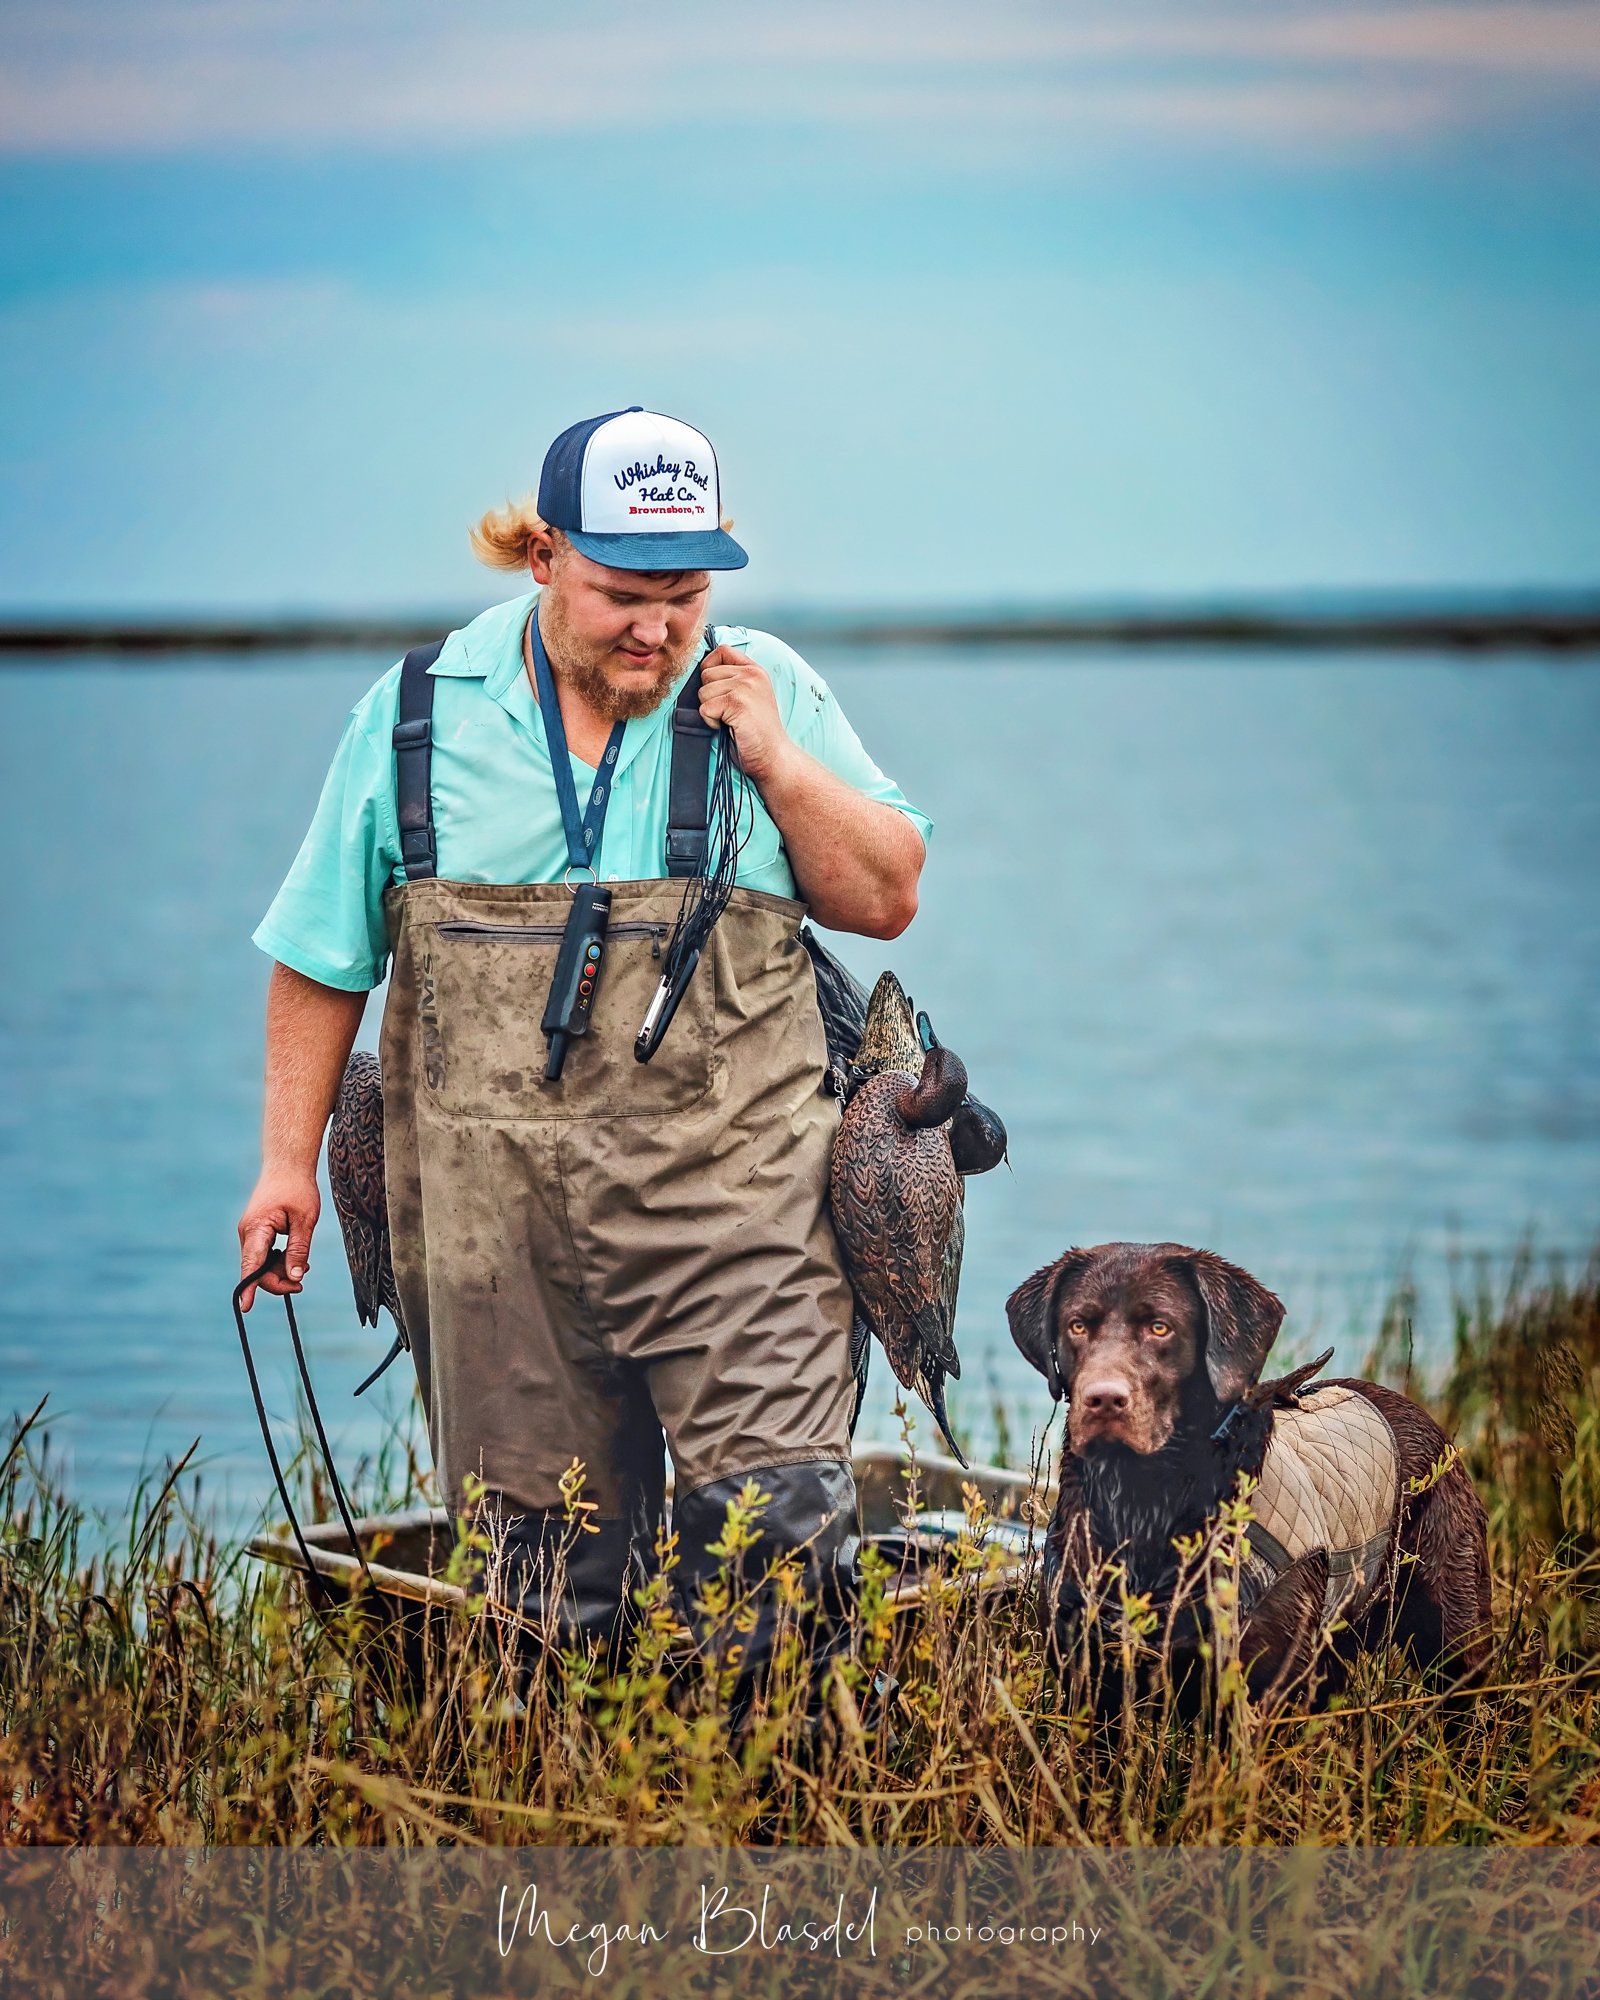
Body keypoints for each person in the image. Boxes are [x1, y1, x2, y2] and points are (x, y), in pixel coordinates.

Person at [237, 406, 930, 1699]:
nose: (658, 631)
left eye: (685, 595)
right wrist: (286, 1167)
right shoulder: (415, 717)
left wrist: (777, 763)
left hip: (738, 1225)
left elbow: (888, 893)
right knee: (544, 1598)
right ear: (542, 555)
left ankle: (777, 1815)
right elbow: (323, 955)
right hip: (495, 1245)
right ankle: (580, 1815)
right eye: (622, 595)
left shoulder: (767, 688)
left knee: (778, 1549)